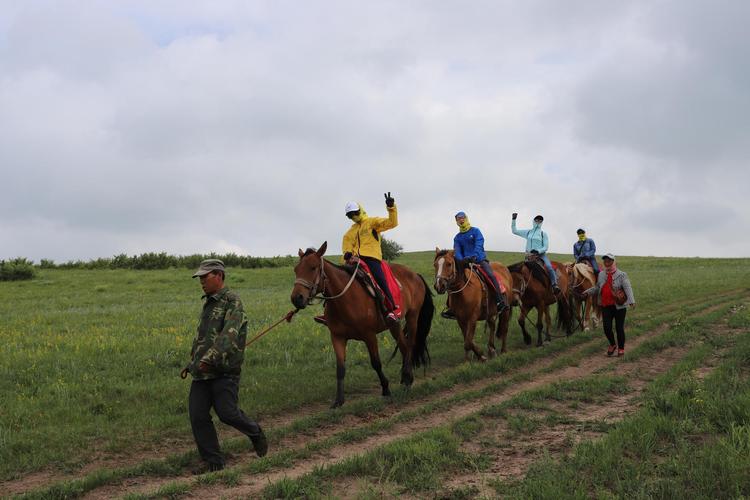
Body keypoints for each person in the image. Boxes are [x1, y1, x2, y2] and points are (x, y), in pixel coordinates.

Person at [185, 259, 267, 474]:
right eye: (200, 277)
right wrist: (192, 362)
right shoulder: (209, 302)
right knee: (198, 415)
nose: (201, 281)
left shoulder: (233, 302)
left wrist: (208, 359)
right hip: (201, 372)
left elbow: (228, 336)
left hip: (223, 371)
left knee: (227, 413)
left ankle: (255, 432)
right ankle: (214, 461)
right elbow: (202, 338)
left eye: (206, 276)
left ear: (219, 276)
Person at [342, 192, 400, 325]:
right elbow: (346, 247)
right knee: (337, 279)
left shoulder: (372, 222)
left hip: (371, 258)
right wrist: (347, 253)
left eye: (355, 213)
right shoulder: (348, 233)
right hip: (354, 260)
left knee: (379, 279)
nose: (354, 216)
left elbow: (392, 223)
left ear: (360, 210)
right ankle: (331, 312)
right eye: (350, 215)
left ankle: (392, 309)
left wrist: (391, 207)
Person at [453, 211, 508, 314]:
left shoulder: (476, 231)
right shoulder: (457, 237)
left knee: (491, 275)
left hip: (479, 260)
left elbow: (479, 244)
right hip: (465, 263)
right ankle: (452, 307)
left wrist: (474, 256)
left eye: (462, 217)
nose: (461, 220)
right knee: (453, 279)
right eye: (458, 219)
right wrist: (462, 260)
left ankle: (500, 300)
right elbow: (457, 250)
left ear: (466, 218)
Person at [582, 253, 635, 357]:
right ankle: (612, 344)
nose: (607, 262)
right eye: (605, 261)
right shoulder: (601, 274)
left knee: (619, 328)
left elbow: (628, 287)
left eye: (609, 260)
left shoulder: (622, 275)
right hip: (605, 305)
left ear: (613, 262)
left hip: (619, 306)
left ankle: (621, 348)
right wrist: (587, 292)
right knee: (606, 328)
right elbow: (597, 287)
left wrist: (631, 301)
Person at [511, 213, 560, 293]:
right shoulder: (528, 232)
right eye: (536, 220)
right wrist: (514, 220)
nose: (538, 222)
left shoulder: (543, 234)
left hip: (540, 255)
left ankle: (554, 285)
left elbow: (545, 247)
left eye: (540, 220)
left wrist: (538, 251)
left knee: (549, 267)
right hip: (529, 256)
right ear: (533, 221)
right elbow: (514, 231)